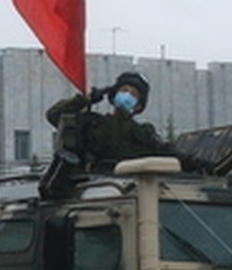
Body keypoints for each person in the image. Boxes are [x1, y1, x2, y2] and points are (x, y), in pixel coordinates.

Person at [39, 71, 173, 197]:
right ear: (114, 96)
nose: (127, 96)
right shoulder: (93, 123)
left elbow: (166, 152)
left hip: (132, 190)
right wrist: (85, 100)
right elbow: (54, 115)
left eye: (133, 94)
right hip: (94, 188)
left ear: (138, 106)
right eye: (124, 90)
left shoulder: (144, 133)